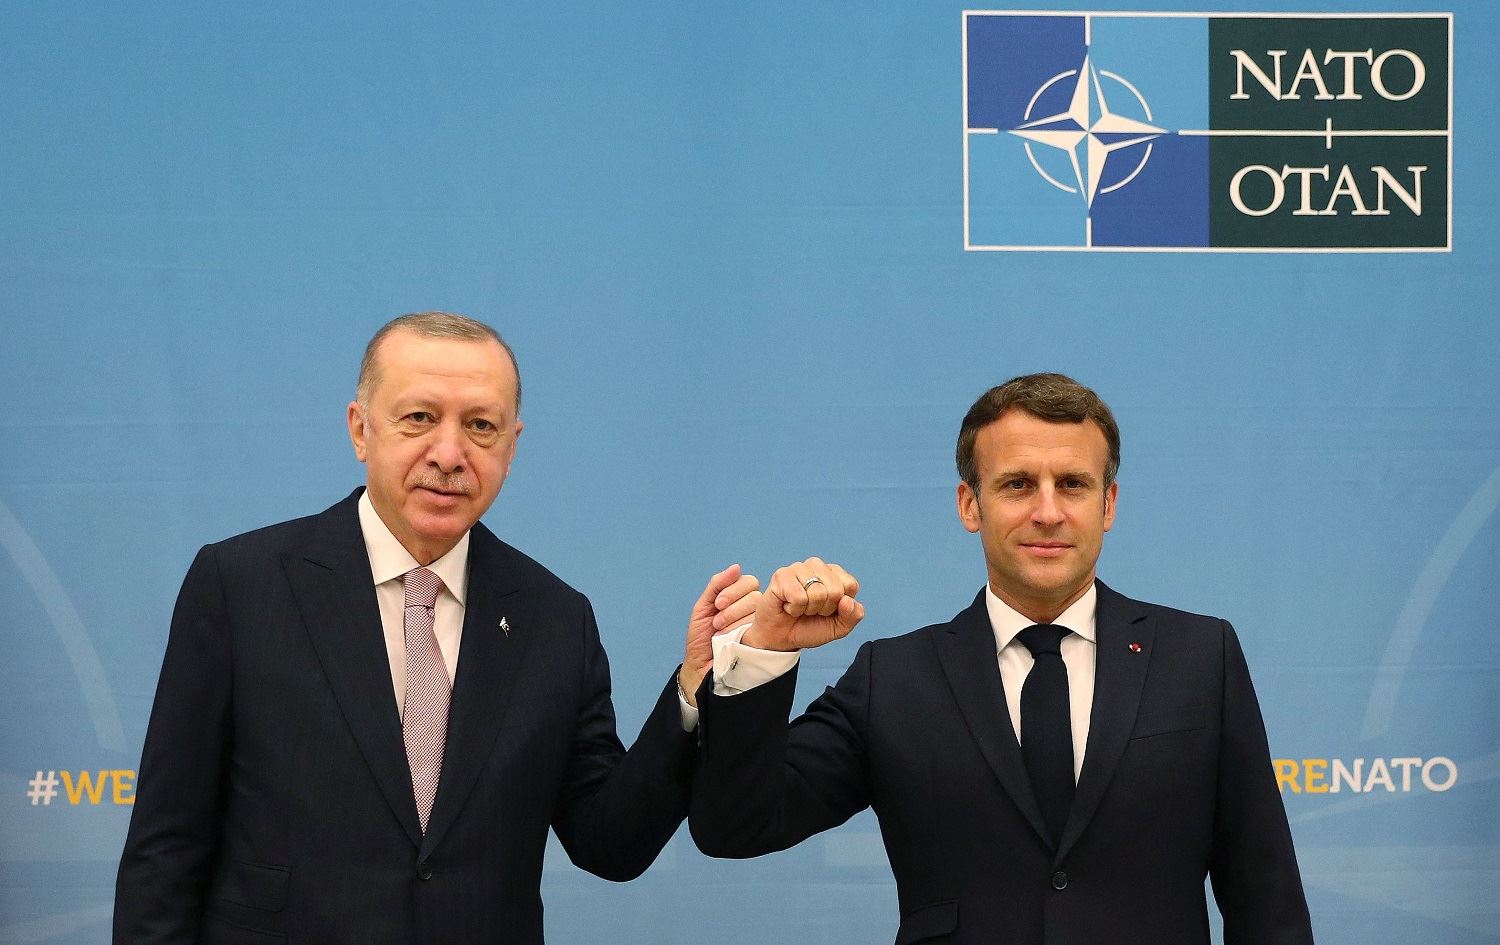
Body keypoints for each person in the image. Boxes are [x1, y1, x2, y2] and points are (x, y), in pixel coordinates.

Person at [114, 311, 759, 945]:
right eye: (420, 418)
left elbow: (610, 843)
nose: (449, 455)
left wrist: (692, 689)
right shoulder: (242, 586)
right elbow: (166, 847)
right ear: (360, 430)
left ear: (511, 447)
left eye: (481, 426)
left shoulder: (556, 618)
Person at [689, 373, 1314, 945]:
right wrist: (765, 654)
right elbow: (735, 826)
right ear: (970, 505)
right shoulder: (893, 679)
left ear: (1109, 504)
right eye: (1017, 485)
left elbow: (1266, 900)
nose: (1048, 512)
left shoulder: (1200, 658)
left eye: (1072, 484)